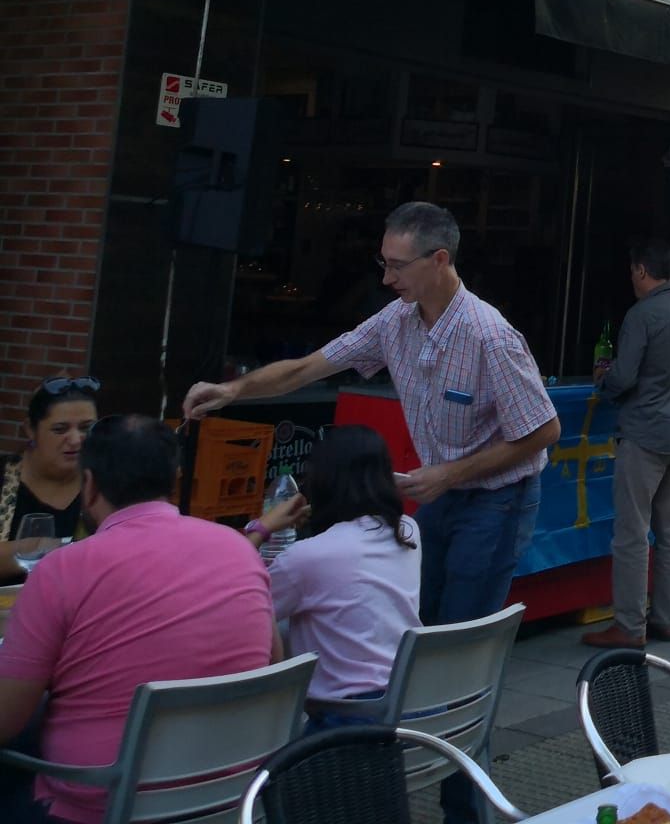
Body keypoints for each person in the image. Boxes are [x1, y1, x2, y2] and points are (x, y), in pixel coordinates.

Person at [182, 201, 558, 824]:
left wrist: (448, 474)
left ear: (440, 261)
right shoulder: (397, 320)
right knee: (421, 646)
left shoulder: (489, 335)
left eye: (396, 265)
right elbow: (311, 366)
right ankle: (394, 788)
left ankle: (466, 808)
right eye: (381, 263)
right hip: (439, 499)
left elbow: (544, 430)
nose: (386, 278)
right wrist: (234, 391)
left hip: (496, 501)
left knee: (456, 658)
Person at [0, 417, 277, 824]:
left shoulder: (62, 570)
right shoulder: (240, 551)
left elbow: (5, 723)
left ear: (89, 484)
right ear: (176, 482)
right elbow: (273, 659)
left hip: (96, 804)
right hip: (228, 799)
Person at [585, 240, 670, 649]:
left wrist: (604, 384)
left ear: (641, 270)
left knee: (632, 532)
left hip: (643, 433)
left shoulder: (642, 315)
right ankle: (667, 619)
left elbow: (623, 376)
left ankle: (628, 625)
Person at [251, 424, 421, 718]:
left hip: (348, 723)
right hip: (416, 704)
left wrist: (262, 528)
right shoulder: (407, 530)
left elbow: (240, 603)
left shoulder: (306, 557)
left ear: (320, 482)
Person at [0, 377, 98, 577]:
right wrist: (52, 549)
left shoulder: (107, 483)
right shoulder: (4, 475)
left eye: (86, 428)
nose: (75, 439)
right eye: (59, 429)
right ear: (30, 430)